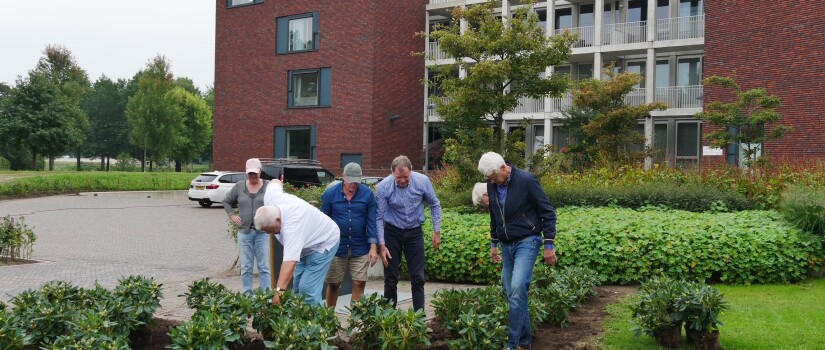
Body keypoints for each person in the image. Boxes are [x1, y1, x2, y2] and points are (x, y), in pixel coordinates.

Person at [477, 151, 557, 350]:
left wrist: (549, 244)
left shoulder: (527, 181)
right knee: (510, 291)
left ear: (504, 168)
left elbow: (548, 212)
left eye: (494, 178)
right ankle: (524, 342)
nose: (492, 183)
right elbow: (495, 216)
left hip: (527, 240)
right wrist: (494, 243)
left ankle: (512, 345)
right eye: (489, 180)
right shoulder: (492, 184)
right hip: (506, 244)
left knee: (518, 288)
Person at [257, 180, 340, 306]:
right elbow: (274, 182)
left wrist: (278, 293)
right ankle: (299, 320)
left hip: (324, 242)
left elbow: (289, 263)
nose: (270, 234)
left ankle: (316, 324)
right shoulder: (271, 199)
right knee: (297, 287)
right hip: (306, 245)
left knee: (307, 289)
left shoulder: (292, 228)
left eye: (271, 230)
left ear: (279, 220)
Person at [376, 155, 442, 311]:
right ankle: (389, 317)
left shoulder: (422, 181)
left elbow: (435, 205)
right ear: (392, 173)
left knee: (418, 278)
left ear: (411, 171)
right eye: (399, 177)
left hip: (414, 232)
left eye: (405, 176)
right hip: (392, 232)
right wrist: (382, 245)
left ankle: (419, 316)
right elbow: (378, 217)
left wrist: (437, 231)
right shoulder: (384, 187)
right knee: (391, 278)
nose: (403, 180)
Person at [321, 163, 379, 308]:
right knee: (334, 284)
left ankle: (355, 322)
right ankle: (329, 319)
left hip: (360, 246)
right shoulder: (330, 194)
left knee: (359, 282)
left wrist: (373, 247)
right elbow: (323, 221)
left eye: (356, 181)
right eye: (351, 180)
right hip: (336, 246)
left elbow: (372, 221)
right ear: (344, 176)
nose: (353, 184)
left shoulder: (367, 194)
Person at [222, 158, 270, 296]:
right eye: (250, 174)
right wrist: (232, 215)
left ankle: (265, 295)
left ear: (260, 171)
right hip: (244, 232)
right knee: (246, 266)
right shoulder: (239, 186)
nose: (253, 176)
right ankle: (247, 295)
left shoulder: (267, 186)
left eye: (255, 173)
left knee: (264, 266)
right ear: (246, 173)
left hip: (263, 233)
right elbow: (226, 201)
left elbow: (279, 201)